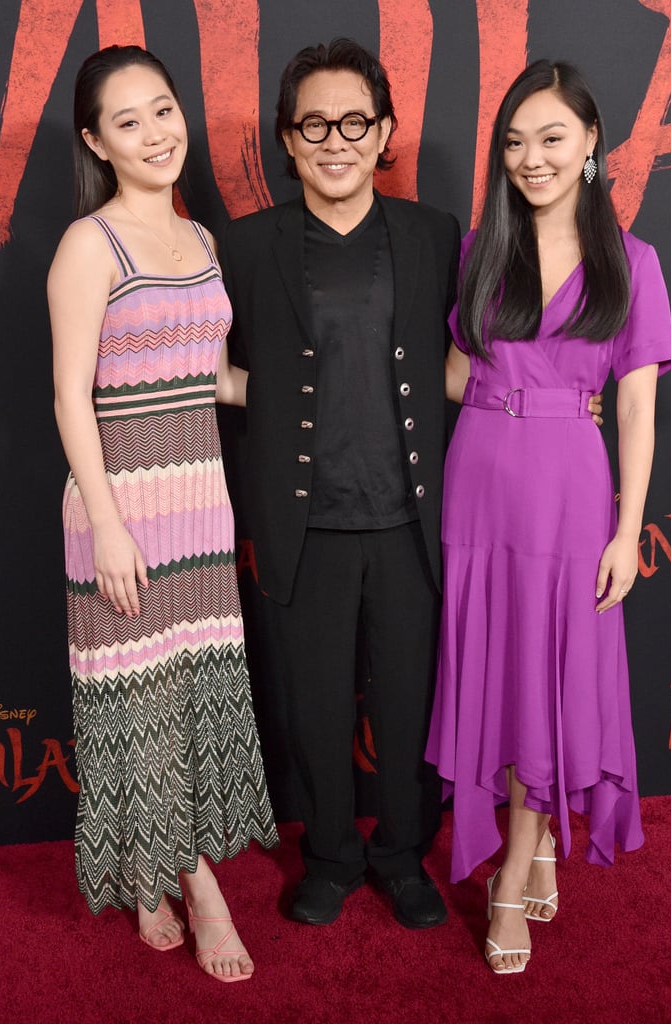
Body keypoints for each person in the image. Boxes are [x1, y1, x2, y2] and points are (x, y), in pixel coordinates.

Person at [425, 59, 671, 974]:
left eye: (551, 138)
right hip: (479, 476)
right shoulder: (478, 252)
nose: (530, 158)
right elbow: (457, 375)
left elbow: (641, 407)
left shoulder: (634, 261)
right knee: (493, 666)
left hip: (573, 486)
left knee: (544, 672)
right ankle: (528, 851)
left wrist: (627, 527)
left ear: (591, 148)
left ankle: (514, 874)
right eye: (514, 141)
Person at [48, 44, 278, 982]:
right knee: (138, 702)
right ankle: (200, 886)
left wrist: (314, 397)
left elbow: (211, 378)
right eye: (129, 119)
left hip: (199, 502)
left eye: (164, 108)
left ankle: (155, 868)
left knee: (185, 694)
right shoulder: (87, 245)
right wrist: (105, 523)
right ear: (97, 140)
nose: (155, 131)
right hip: (123, 504)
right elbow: (70, 398)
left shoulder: (204, 241)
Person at [219, 38, 460, 930]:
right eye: (313, 122)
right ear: (288, 138)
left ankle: (401, 855)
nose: (336, 138)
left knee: (407, 704)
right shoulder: (245, 248)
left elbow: (481, 352)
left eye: (355, 120)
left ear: (385, 130)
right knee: (314, 708)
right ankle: (329, 857)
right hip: (302, 524)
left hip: (410, 522)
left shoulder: (435, 235)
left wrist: (558, 402)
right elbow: (213, 366)